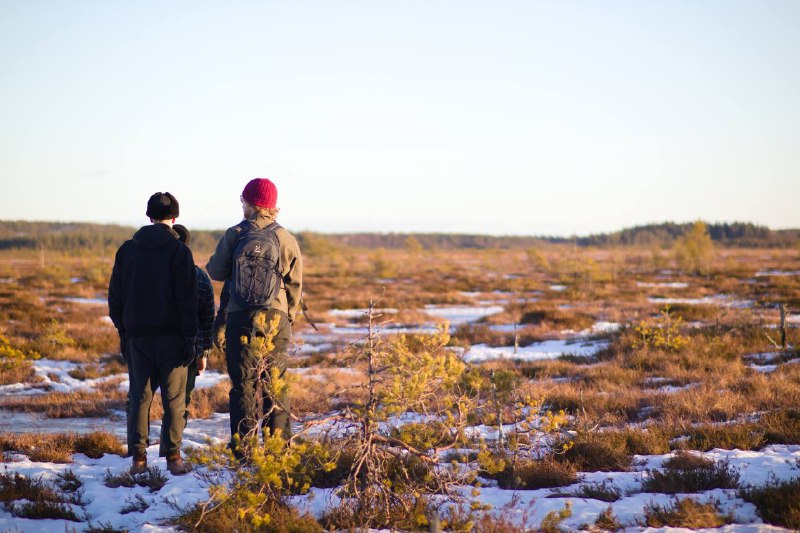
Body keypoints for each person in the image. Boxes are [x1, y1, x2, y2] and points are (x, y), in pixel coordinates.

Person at [206, 178, 302, 453]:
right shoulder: (285, 238)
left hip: (241, 317)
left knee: (243, 386)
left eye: (243, 200)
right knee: (277, 385)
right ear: (272, 207)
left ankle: (243, 451)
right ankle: (277, 451)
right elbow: (295, 283)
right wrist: (288, 317)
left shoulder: (235, 233)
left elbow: (214, 271)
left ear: (249, 204)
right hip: (276, 318)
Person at [108, 192, 198, 475]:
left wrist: (124, 330)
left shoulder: (126, 250)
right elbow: (187, 299)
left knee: (139, 397)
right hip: (172, 338)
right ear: (175, 218)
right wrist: (190, 338)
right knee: (174, 399)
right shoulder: (179, 252)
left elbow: (115, 298)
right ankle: (173, 459)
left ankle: (138, 460)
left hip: (137, 337)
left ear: (149, 216)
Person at [156, 224, 216, 457]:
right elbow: (207, 318)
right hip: (186, 351)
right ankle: (170, 451)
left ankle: (138, 454)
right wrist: (203, 354)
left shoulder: (154, 276)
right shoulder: (200, 276)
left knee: (142, 399)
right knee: (179, 403)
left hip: (150, 346)